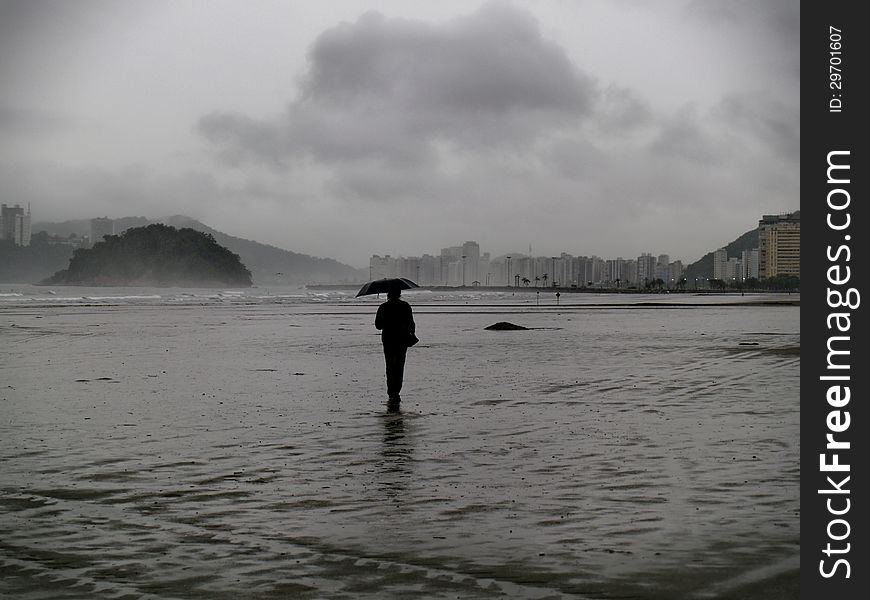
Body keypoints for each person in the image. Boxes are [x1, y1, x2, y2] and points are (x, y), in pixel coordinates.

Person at [375, 286, 415, 411]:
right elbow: (411, 323)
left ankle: (391, 392)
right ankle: (396, 392)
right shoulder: (405, 306)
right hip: (402, 339)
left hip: (388, 339)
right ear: (399, 294)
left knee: (390, 365)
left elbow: (378, 325)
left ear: (388, 295)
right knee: (399, 365)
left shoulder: (383, 307)